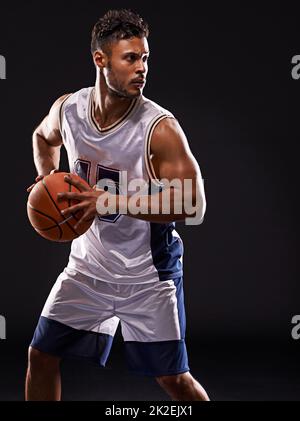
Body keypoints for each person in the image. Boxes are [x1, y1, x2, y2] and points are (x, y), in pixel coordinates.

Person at [25, 9, 209, 401]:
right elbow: (43, 138)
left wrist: (110, 200)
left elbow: (193, 202)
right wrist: (47, 179)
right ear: (100, 60)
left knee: (174, 380)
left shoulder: (158, 128)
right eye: (131, 58)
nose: (142, 68)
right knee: (41, 355)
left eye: (145, 58)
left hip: (148, 276)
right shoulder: (69, 110)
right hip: (89, 267)